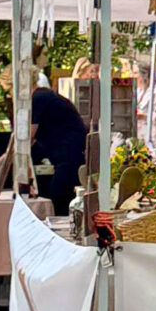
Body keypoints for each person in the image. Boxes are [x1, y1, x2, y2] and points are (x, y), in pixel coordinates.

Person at [30, 72, 91, 214]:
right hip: (69, 152)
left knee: (60, 197)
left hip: (69, 154)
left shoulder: (38, 98)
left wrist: (6, 157)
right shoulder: (46, 96)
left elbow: (27, 137)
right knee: (59, 194)